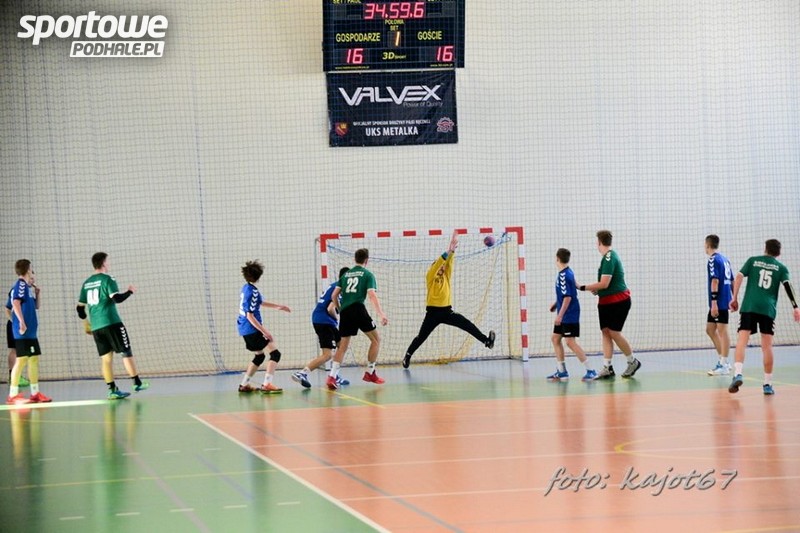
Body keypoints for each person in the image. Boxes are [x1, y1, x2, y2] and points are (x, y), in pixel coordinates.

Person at [402, 230, 495, 369]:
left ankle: (487, 341)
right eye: (439, 265)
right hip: (432, 313)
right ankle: (408, 355)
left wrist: (452, 248)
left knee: (467, 325)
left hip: (447, 312)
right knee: (421, 337)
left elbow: (449, 261)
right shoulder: (430, 276)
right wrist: (447, 251)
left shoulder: (446, 276)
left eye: (443, 266)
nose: (442, 267)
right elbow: (438, 264)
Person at [728, 239, 800, 395]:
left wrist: (734, 298)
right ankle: (767, 384)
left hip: (750, 305)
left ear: (765, 249)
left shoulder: (753, 261)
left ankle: (738, 374)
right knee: (767, 346)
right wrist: (795, 307)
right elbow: (788, 285)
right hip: (768, 308)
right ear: (778, 253)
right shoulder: (781, 268)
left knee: (742, 340)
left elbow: (739, 277)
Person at [77, 252, 149, 400]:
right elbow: (117, 299)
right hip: (111, 322)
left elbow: (79, 308)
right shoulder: (108, 279)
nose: (109, 264)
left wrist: (86, 324)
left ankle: (112, 390)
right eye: (107, 261)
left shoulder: (87, 283)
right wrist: (130, 292)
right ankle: (137, 383)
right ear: (103, 263)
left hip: (96, 327)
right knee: (125, 352)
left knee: (106, 359)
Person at [578, 230, 640, 379]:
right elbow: (605, 285)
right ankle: (608, 367)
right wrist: (597, 290)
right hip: (605, 302)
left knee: (614, 332)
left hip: (618, 301)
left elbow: (604, 283)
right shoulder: (606, 258)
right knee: (605, 332)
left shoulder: (609, 257)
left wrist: (583, 287)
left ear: (599, 242)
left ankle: (632, 361)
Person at [326, 248, 388, 390]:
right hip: (358, 309)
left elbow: (334, 295)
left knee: (343, 346)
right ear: (366, 260)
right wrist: (381, 314)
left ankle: (332, 376)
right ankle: (370, 372)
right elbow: (371, 295)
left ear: (355, 259)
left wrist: (340, 309)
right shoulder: (367, 274)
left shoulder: (345, 275)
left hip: (345, 311)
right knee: (376, 340)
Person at [236, 260, 291, 394]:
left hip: (243, 328)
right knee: (275, 354)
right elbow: (250, 315)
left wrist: (278, 307)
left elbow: (259, 302)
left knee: (259, 356)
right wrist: (265, 331)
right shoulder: (252, 292)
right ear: (259, 276)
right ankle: (267, 384)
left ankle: (244, 385)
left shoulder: (246, 288)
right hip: (252, 328)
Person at [292, 267, 351, 389]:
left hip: (322, 320)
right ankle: (302, 373)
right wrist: (337, 318)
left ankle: (334, 375)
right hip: (325, 322)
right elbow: (330, 308)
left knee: (342, 345)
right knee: (327, 355)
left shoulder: (334, 285)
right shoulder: (340, 289)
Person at [6, 260, 51, 405]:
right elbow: (15, 303)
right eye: (31, 269)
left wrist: (37, 294)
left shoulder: (27, 287)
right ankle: (13, 395)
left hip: (31, 332)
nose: (32, 271)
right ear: (27, 270)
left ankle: (35, 393)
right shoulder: (20, 285)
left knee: (33, 359)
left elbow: (35, 307)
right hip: (23, 332)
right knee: (21, 360)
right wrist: (21, 322)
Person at [547, 248, 596, 381]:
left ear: (557, 258)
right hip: (564, 311)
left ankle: (591, 370)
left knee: (570, 342)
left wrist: (560, 315)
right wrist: (556, 304)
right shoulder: (567, 272)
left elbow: (568, 297)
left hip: (569, 314)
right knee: (555, 338)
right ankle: (562, 371)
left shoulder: (564, 275)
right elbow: (570, 291)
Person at [704, 235, 734, 376]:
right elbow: (732, 280)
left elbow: (715, 281)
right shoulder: (725, 259)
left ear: (707, 245)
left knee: (722, 331)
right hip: (723, 300)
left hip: (719, 301)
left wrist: (714, 302)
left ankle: (724, 364)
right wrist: (734, 298)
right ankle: (724, 360)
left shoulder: (713, 260)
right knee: (710, 329)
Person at [6, 290, 29, 387]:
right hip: (15, 325)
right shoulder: (17, 289)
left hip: (21, 325)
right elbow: (7, 309)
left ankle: (16, 376)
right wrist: (15, 322)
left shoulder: (28, 292)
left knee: (19, 351)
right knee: (15, 350)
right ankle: (13, 377)